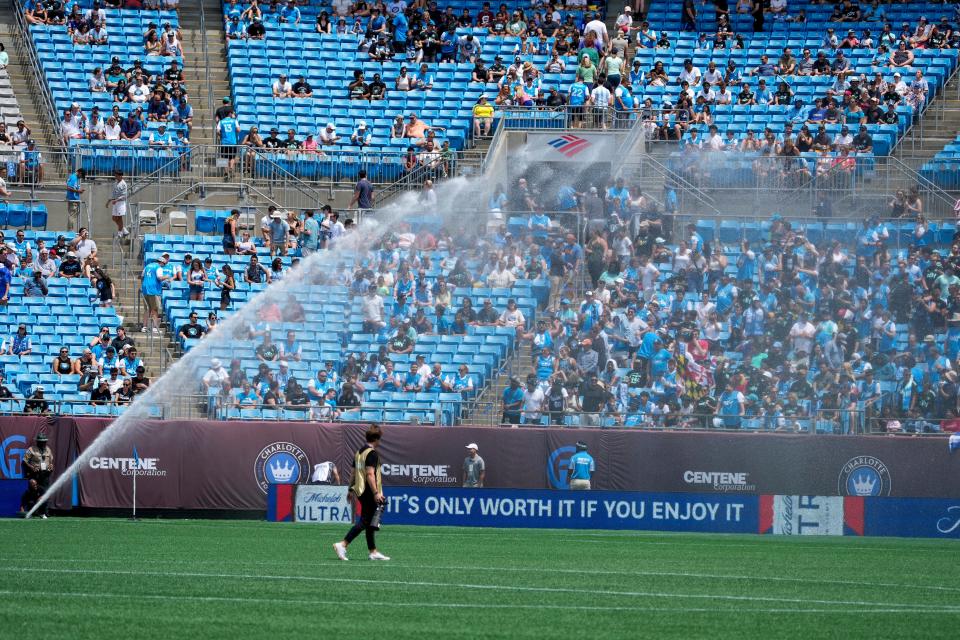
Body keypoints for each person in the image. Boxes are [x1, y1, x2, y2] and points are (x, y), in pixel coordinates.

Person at [333, 424, 390, 561]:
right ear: (376, 439)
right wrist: (376, 493)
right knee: (365, 521)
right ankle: (343, 544)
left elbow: (353, 473)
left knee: (370, 521)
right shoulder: (372, 454)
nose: (380, 441)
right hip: (369, 491)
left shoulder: (359, 453)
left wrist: (350, 489)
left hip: (360, 490)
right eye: (379, 439)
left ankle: (373, 551)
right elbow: (370, 474)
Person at [22, 432, 53, 517]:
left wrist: (51, 466)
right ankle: (33, 511)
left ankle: (45, 511)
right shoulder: (31, 449)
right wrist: (31, 467)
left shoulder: (48, 449)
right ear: (37, 441)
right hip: (35, 474)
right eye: (41, 441)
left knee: (45, 492)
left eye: (44, 441)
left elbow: (50, 461)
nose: (43, 443)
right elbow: (24, 461)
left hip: (45, 474)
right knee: (33, 493)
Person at [106, 170, 129, 237]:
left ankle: (120, 232)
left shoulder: (124, 184)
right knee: (114, 218)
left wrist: (117, 200)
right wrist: (108, 201)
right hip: (115, 202)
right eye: (115, 175)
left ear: (120, 176)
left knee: (119, 217)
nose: (115, 177)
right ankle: (124, 229)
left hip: (120, 203)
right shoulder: (115, 183)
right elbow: (113, 193)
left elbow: (124, 195)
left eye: (116, 175)